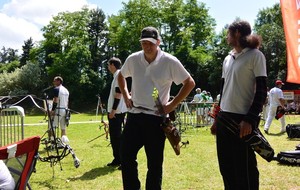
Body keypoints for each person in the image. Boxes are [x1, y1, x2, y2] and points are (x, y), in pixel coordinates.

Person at [118, 26, 195, 190]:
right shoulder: (133, 59)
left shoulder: (169, 61)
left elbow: (189, 83)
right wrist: (126, 95)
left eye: (151, 43)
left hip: (156, 119)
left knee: (154, 163)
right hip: (135, 116)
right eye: (144, 42)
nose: (147, 46)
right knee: (126, 155)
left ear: (158, 42)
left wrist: (171, 105)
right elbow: (120, 76)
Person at [214, 20, 267, 190]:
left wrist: (250, 120)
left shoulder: (256, 55)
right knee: (226, 167)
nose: (226, 36)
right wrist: (217, 117)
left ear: (237, 33)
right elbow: (223, 90)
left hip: (243, 120)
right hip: (224, 118)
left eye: (228, 33)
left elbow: (261, 91)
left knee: (244, 167)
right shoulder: (227, 58)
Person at [106, 57, 127, 169]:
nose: (108, 67)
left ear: (113, 65)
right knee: (115, 137)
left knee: (117, 137)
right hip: (117, 111)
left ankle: (122, 160)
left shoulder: (119, 76)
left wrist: (113, 111)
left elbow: (118, 94)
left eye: (109, 65)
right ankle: (117, 159)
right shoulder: (118, 76)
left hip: (117, 112)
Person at [51, 76, 70, 144]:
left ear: (59, 81)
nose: (53, 82)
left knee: (53, 126)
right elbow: (67, 102)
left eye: (55, 81)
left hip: (59, 110)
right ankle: (63, 143)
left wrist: (52, 110)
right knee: (63, 127)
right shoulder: (66, 90)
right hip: (65, 110)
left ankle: (53, 142)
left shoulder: (57, 89)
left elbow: (55, 100)